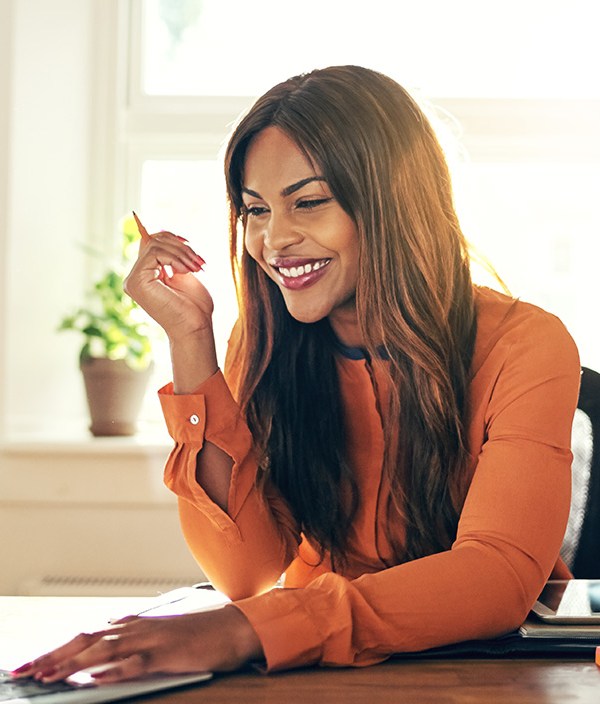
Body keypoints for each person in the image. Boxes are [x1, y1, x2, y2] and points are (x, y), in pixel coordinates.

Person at [13, 65, 580, 683]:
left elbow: (495, 574)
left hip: (487, 674)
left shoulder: (525, 343)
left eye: (308, 202)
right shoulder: (262, 342)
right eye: (255, 210)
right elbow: (245, 572)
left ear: (393, 202)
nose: (273, 239)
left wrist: (248, 630)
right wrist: (190, 339)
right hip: (316, 671)